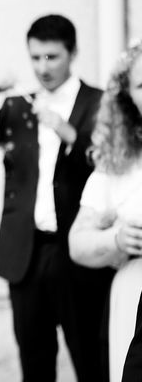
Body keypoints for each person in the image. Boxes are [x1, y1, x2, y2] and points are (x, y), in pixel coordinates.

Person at [0, 14, 113, 382]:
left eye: (52, 57)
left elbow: (113, 163)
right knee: (34, 361)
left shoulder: (100, 104)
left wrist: (66, 130)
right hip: (25, 252)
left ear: (73, 54)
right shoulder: (18, 106)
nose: (43, 67)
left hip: (79, 251)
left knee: (91, 358)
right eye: (36, 57)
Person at [68, 40, 142, 382]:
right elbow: (77, 243)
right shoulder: (117, 163)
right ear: (128, 98)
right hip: (134, 293)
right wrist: (116, 239)